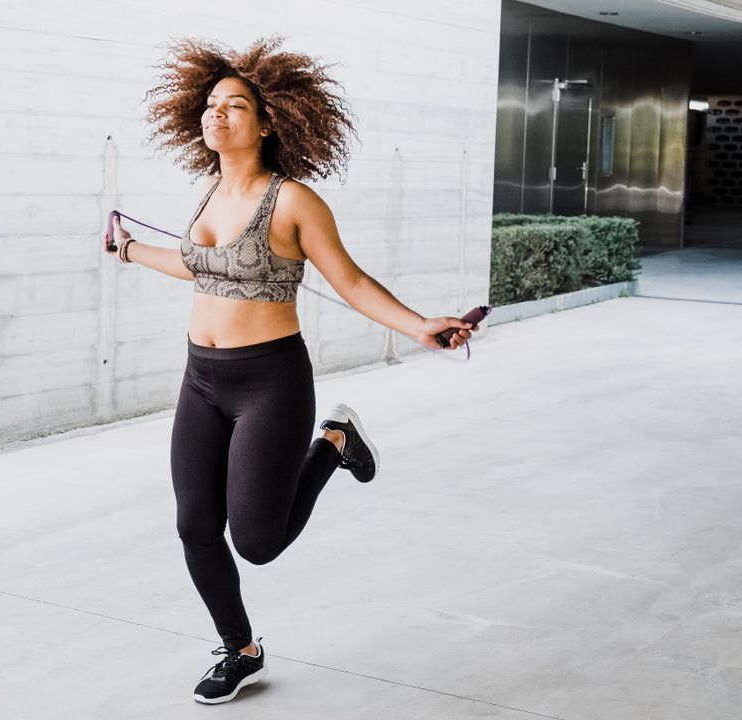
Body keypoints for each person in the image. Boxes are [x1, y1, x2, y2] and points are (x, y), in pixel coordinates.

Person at [101, 37, 479, 705]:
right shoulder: (208, 191)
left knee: (257, 542)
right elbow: (198, 265)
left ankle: (333, 442)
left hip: (268, 382)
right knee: (195, 526)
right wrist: (130, 250)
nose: (218, 115)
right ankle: (240, 648)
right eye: (211, 105)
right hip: (201, 379)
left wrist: (419, 325)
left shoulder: (295, 202)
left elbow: (352, 281)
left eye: (235, 105)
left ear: (269, 119)